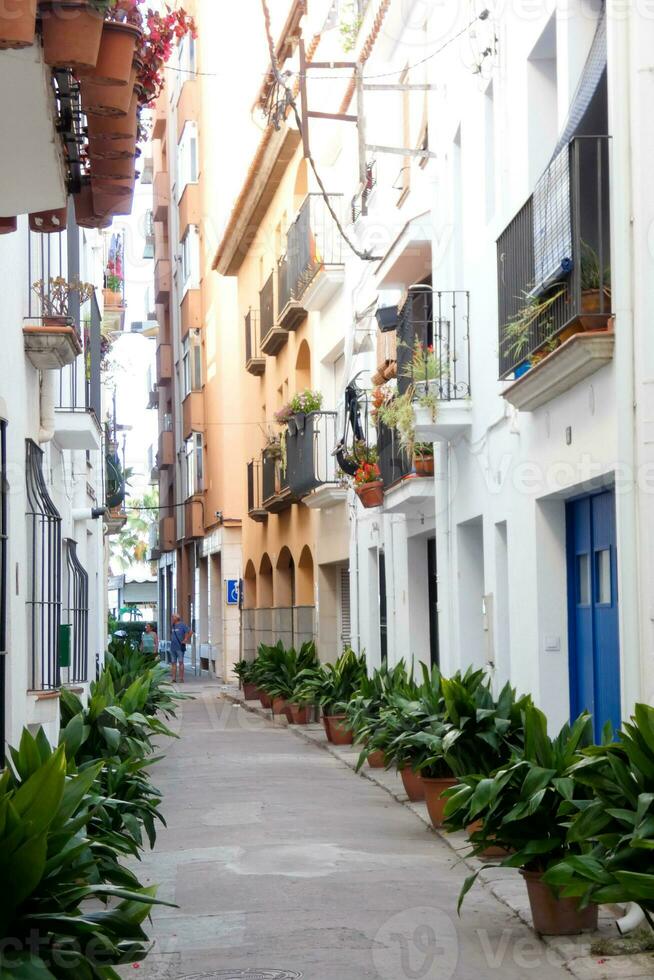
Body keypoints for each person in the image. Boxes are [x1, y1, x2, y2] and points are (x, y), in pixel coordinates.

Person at [170, 612, 192, 683]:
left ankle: (181, 678)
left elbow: (190, 632)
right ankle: (173, 678)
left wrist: (185, 639)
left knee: (180, 662)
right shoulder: (173, 625)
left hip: (179, 647)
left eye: (173, 617)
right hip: (173, 647)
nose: (172, 618)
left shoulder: (182, 625)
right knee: (173, 663)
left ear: (176, 618)